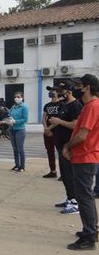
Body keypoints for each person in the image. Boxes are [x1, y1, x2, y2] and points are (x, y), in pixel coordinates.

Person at [63, 74, 99, 250]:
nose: (77, 88)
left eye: (80, 85)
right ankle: (92, 230)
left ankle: (89, 236)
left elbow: (83, 135)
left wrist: (67, 146)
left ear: (88, 87)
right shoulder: (88, 106)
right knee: (86, 197)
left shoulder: (93, 106)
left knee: (84, 197)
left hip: (86, 157)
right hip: (84, 156)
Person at [49, 81, 83, 214]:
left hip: (68, 147)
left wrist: (59, 121)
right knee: (65, 174)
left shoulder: (75, 106)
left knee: (70, 174)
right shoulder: (64, 105)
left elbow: (75, 125)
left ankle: (74, 203)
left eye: (61, 91)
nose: (58, 93)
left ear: (69, 91)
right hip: (60, 145)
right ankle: (70, 198)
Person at [8, 91, 28, 172]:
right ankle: (17, 165)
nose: (16, 98)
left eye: (18, 97)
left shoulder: (24, 107)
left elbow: (25, 119)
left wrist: (15, 121)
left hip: (20, 129)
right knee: (14, 148)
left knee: (20, 148)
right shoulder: (13, 107)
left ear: (22, 98)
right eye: (15, 97)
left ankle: (22, 166)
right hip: (12, 129)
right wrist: (8, 120)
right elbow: (9, 115)